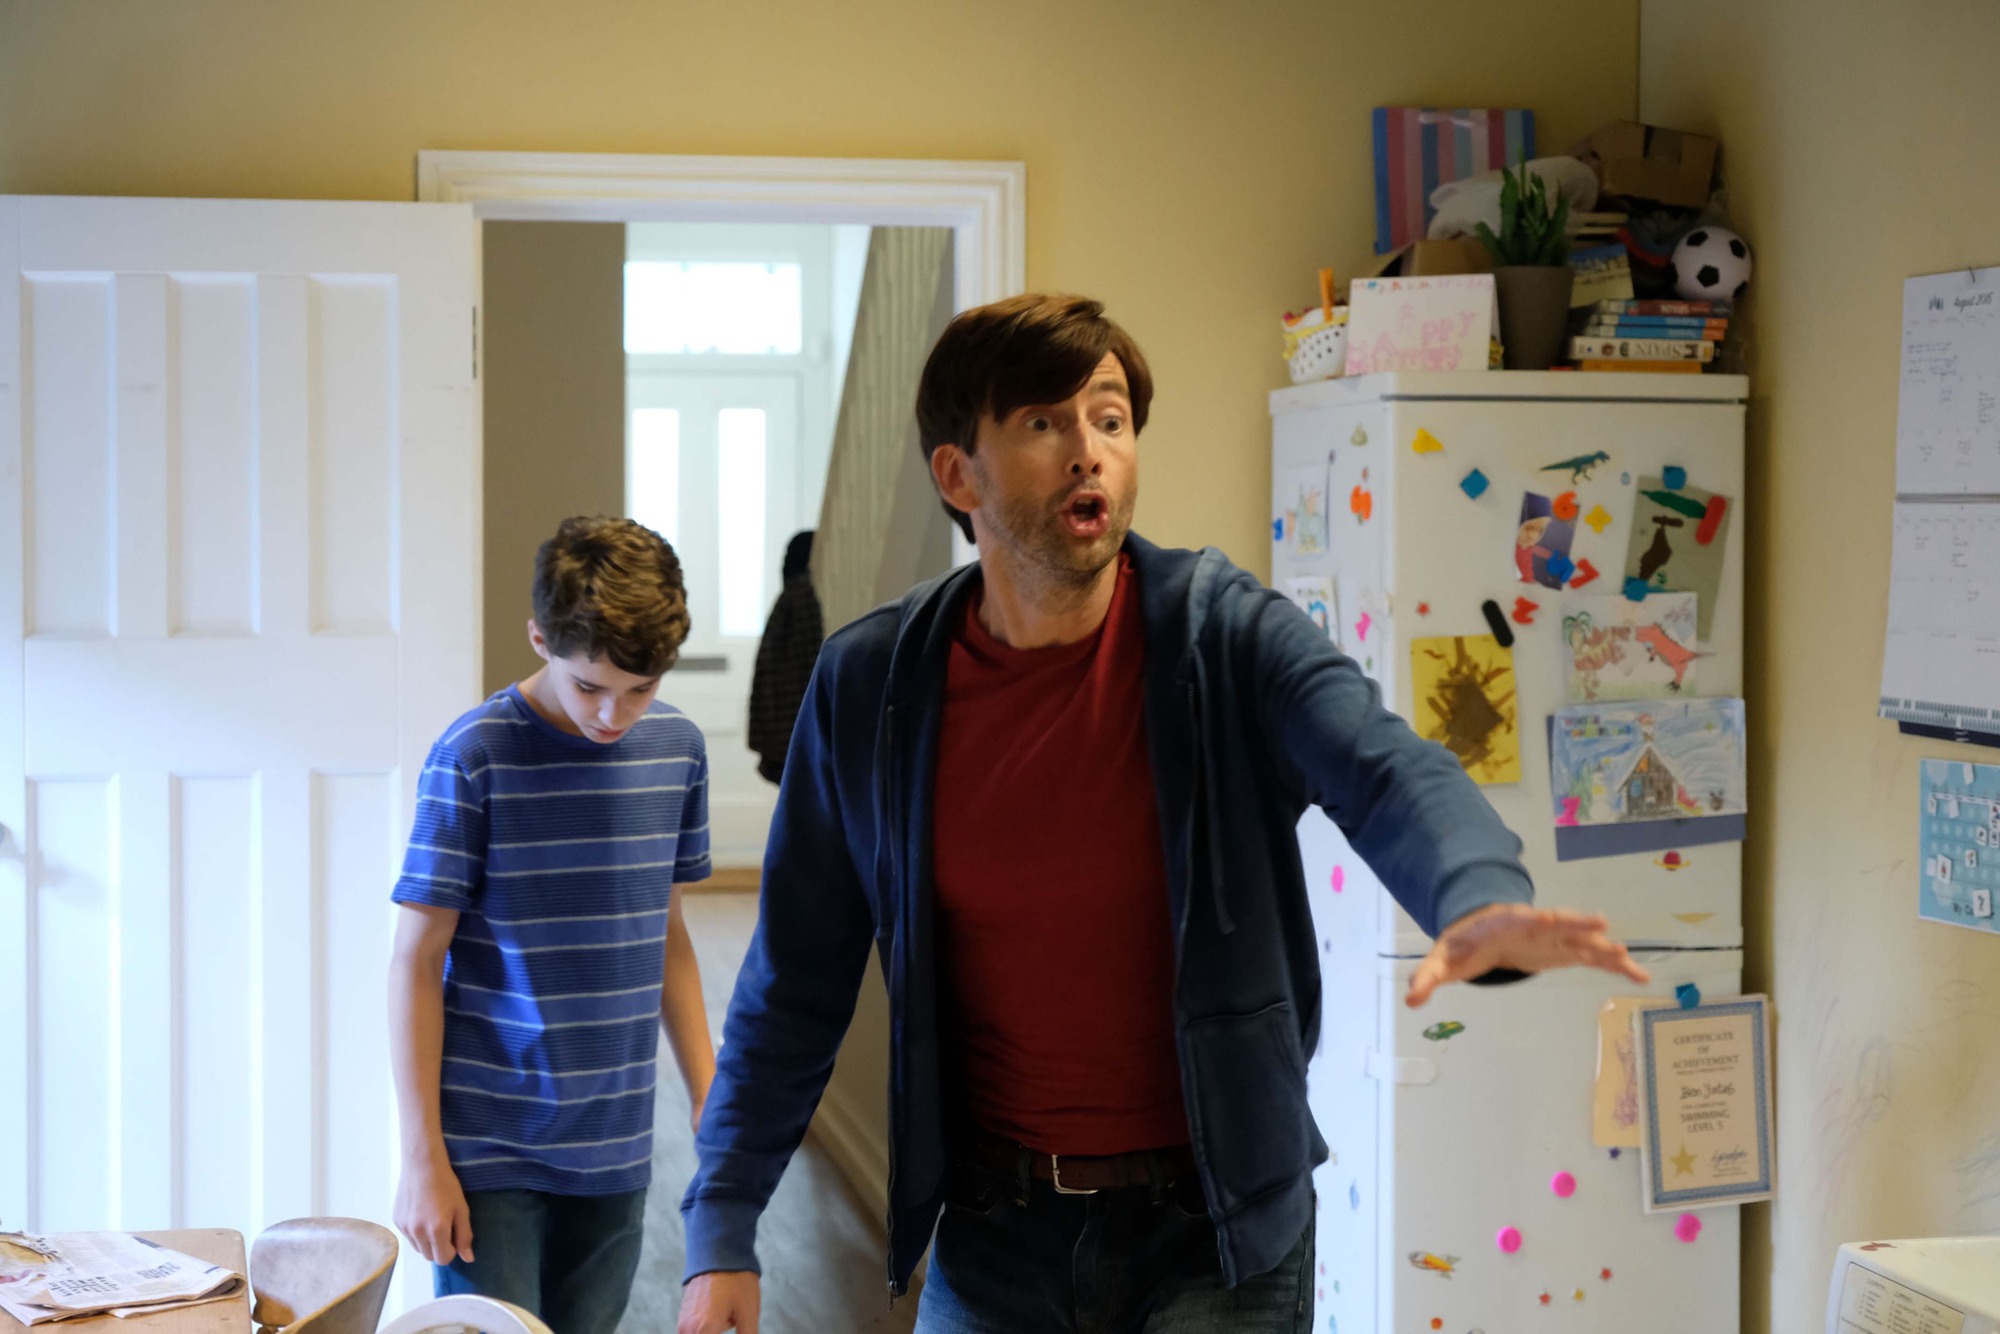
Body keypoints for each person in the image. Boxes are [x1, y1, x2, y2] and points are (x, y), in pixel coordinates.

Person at [677, 295, 1649, 1334]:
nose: (1088, 450)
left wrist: (1475, 895)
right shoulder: (872, 683)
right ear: (958, 474)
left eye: (1109, 419)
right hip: (994, 1231)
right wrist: (721, 1220)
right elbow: (796, 973)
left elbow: (1384, 766)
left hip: (1216, 1233)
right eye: (1044, 422)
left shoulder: (1224, 638)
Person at [389, 516, 718, 1334]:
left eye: (640, 688)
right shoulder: (474, 756)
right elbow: (415, 963)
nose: (614, 714)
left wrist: (710, 1093)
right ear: (540, 637)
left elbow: (666, 936)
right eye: (589, 686)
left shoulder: (677, 749)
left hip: (616, 1145)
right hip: (488, 1147)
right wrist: (422, 1159)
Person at [747, 530, 824, 784]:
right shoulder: (802, 600)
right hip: (795, 727)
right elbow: (808, 662)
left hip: (784, 729)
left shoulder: (789, 599)